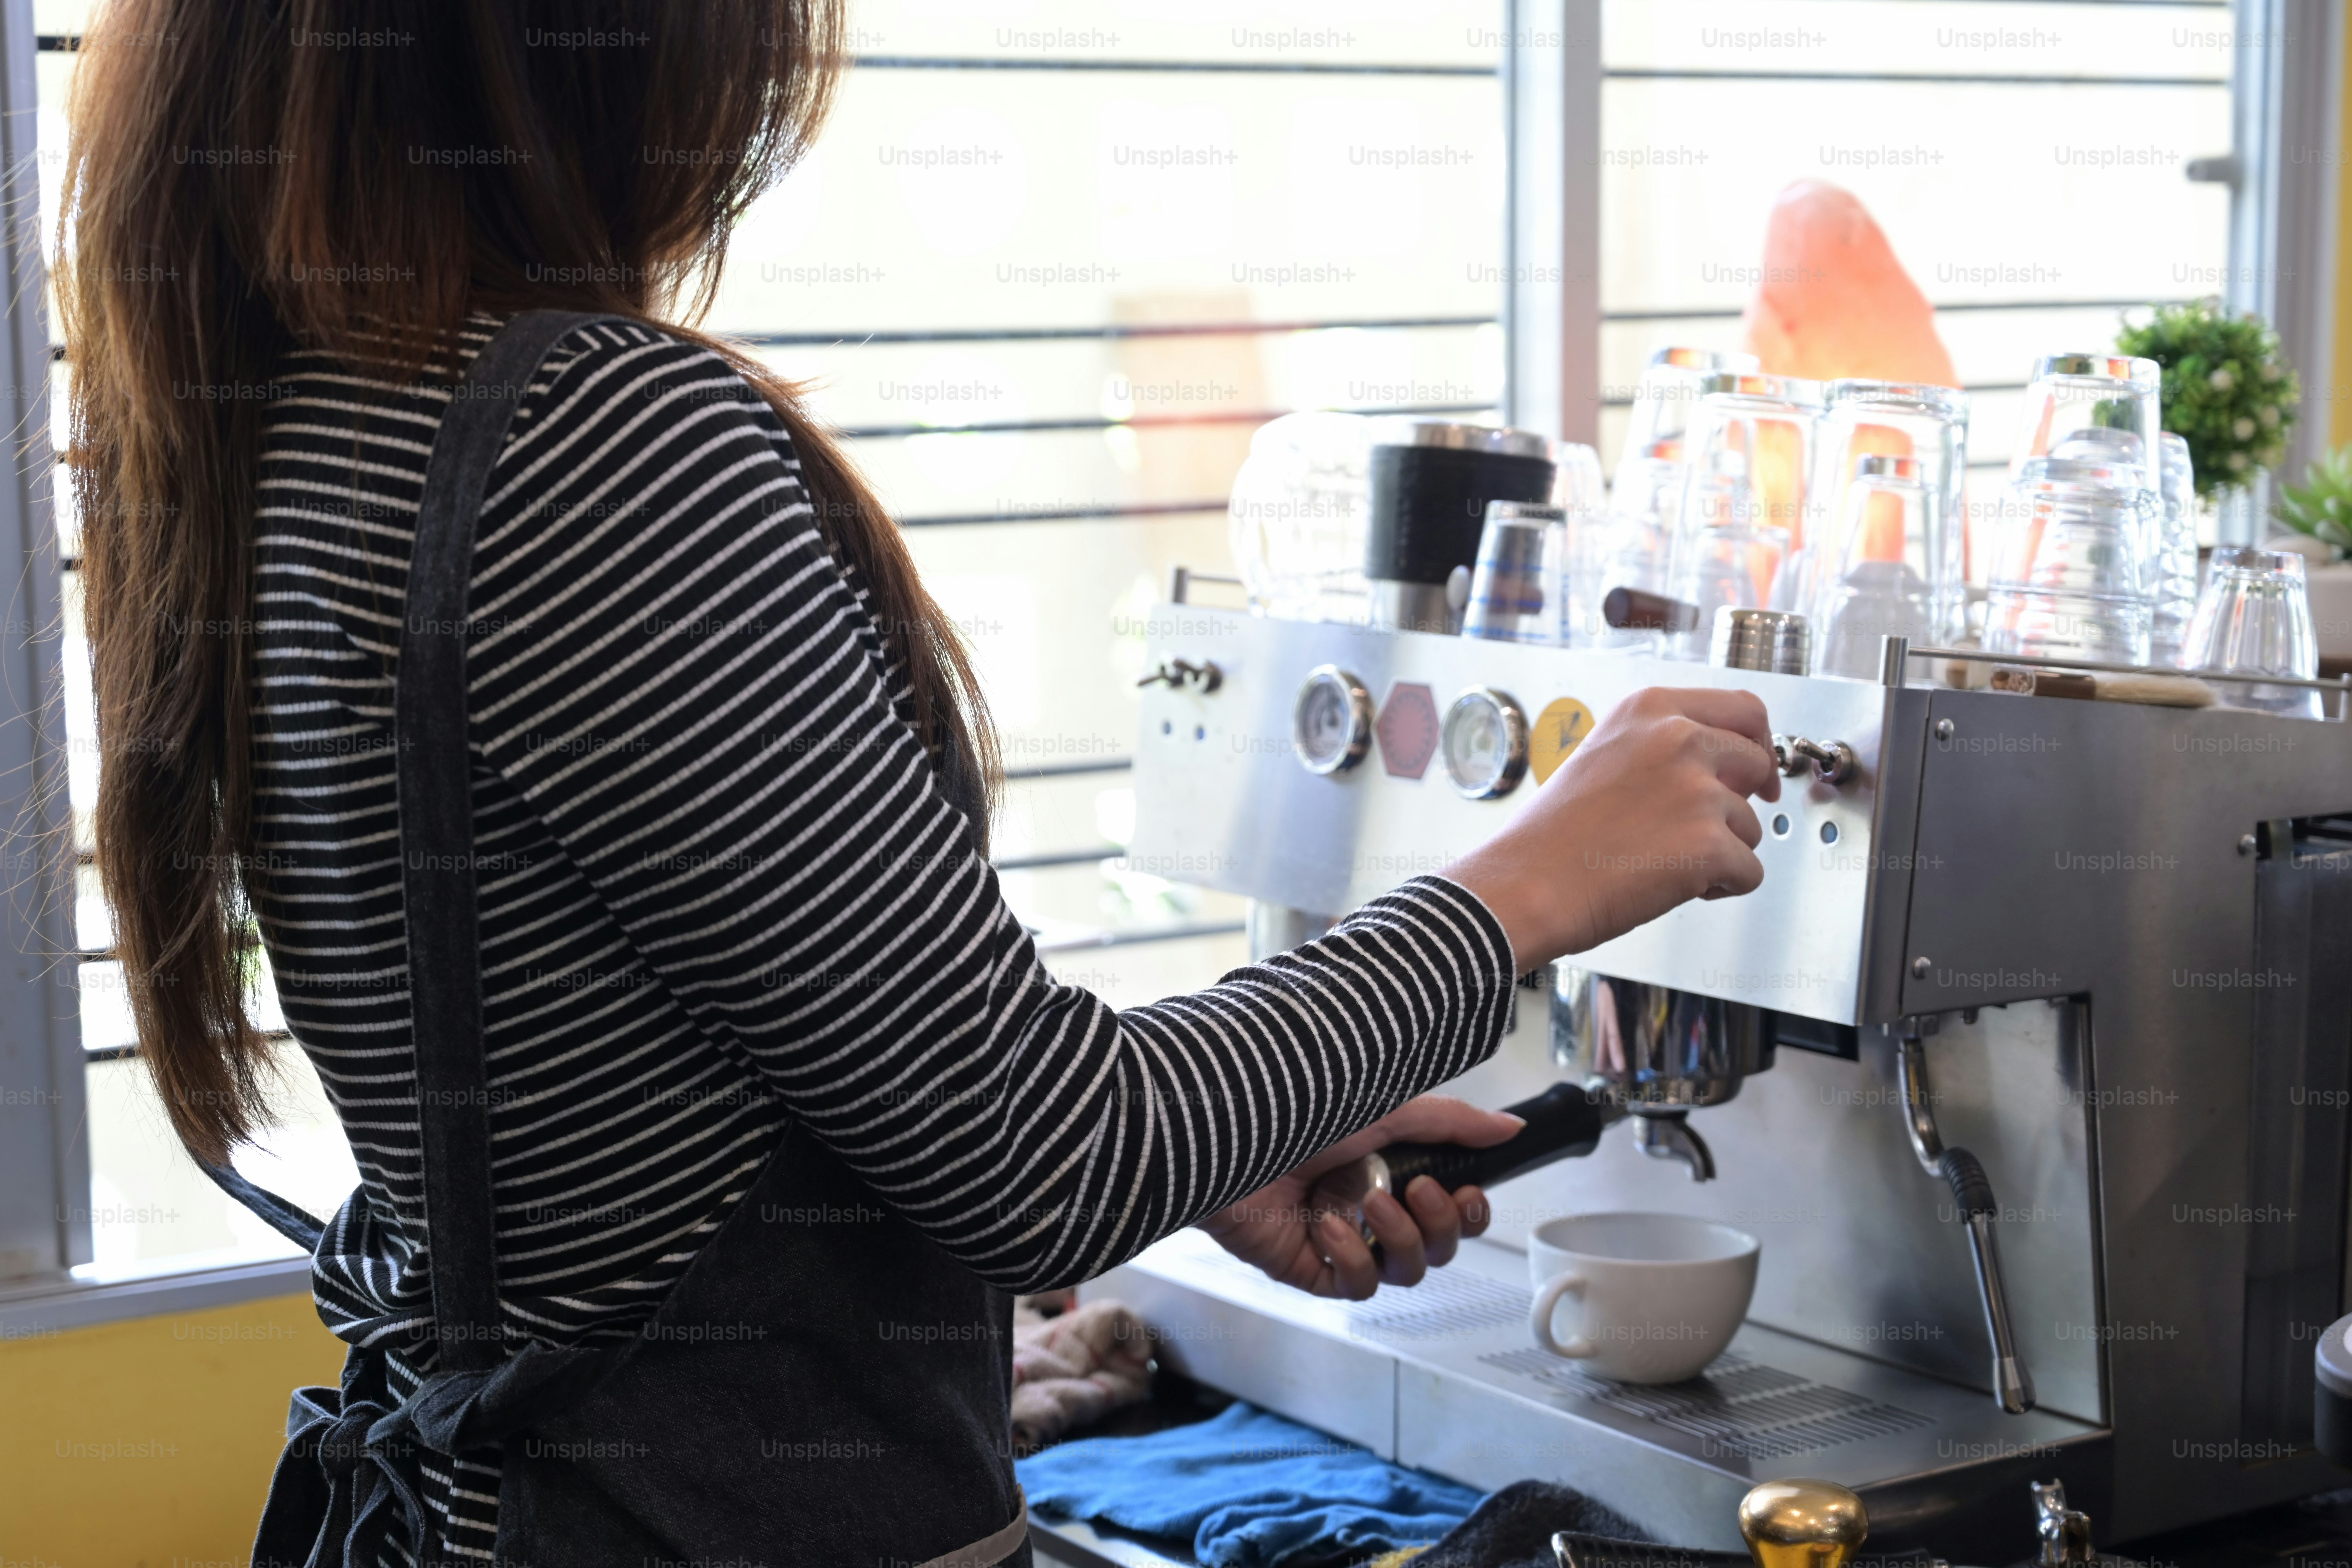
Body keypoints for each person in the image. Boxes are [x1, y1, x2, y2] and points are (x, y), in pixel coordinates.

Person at [62, 3, 1780, 1564]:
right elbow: (1041, 1156)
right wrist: (1534, 881)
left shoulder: (311, 422)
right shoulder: (585, 438)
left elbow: (728, 1088)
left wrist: (1219, 1135)